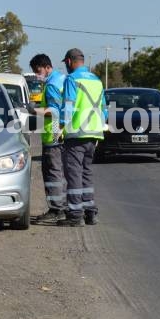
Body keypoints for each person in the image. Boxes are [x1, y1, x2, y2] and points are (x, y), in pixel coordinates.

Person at [58, 48, 106, 227]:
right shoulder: (97, 81)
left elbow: (68, 106)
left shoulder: (72, 79)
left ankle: (75, 214)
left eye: (66, 64)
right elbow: (104, 108)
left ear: (69, 62)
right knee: (86, 173)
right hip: (94, 134)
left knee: (74, 174)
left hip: (76, 133)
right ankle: (90, 212)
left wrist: (61, 126)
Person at [29, 53, 67, 224]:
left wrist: (34, 110)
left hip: (53, 132)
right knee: (60, 172)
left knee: (52, 172)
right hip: (64, 132)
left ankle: (56, 208)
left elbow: (55, 111)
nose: (38, 75)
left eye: (38, 71)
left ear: (46, 67)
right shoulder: (62, 79)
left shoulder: (51, 84)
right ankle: (62, 206)